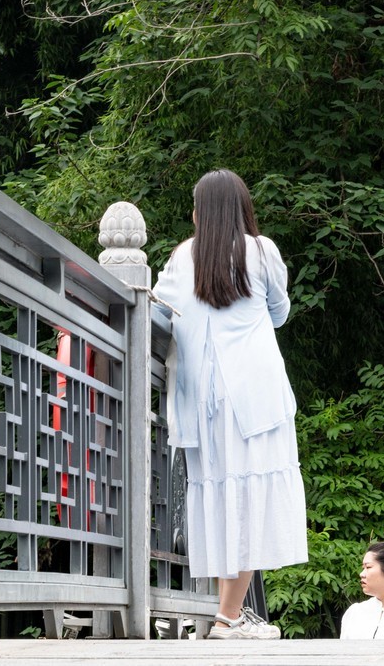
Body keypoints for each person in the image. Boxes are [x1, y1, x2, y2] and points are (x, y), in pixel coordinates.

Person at [153, 168, 309, 640]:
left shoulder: (183, 257)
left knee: (220, 495)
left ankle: (229, 616)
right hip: (255, 397)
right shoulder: (262, 252)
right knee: (249, 499)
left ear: (201, 212)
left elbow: (158, 311)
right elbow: (280, 313)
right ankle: (228, 618)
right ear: (242, 208)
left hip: (203, 400)